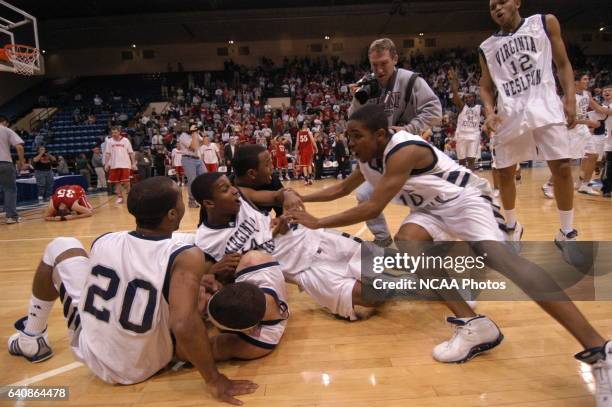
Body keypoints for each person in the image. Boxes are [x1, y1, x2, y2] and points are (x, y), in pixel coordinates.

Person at [286, 104, 612, 406]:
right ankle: (474, 324)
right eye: (348, 136)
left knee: (503, 260)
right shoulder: (367, 157)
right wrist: (301, 197)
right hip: (434, 209)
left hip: (466, 198)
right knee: (409, 245)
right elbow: (341, 189)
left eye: (356, 136)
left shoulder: (403, 150)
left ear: (380, 135)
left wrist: (316, 222)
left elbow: (372, 206)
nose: (350, 143)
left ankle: (600, 350)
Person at [8, 177, 257, 405]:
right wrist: (213, 379)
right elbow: (183, 323)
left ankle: (32, 336)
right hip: (150, 361)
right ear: (173, 214)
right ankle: (30, 341)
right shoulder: (185, 253)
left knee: (61, 245)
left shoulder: (104, 241)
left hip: (98, 354)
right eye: (180, 199)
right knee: (191, 303)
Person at [190, 172, 377, 322]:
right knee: (373, 297)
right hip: (303, 272)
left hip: (316, 240)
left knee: (391, 279)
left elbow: (277, 194)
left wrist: (287, 195)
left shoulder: (244, 198)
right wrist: (217, 270)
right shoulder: (205, 240)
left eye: (231, 186)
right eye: (225, 189)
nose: (234, 191)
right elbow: (208, 278)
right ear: (209, 203)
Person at [479, 1, 579, 257]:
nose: (497, 9)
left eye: (501, 2)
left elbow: (563, 63)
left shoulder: (544, 23)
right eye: (492, 7)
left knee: (563, 167)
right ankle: (512, 226)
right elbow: (485, 87)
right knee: (504, 173)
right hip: (510, 111)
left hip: (544, 102)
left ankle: (566, 233)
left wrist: (569, 98)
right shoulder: (487, 47)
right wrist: (489, 113)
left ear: (517, 2)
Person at [349, 38, 442, 247]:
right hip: (385, 159)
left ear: (395, 59)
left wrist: (409, 129)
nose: (379, 69)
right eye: (375, 65)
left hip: (412, 157)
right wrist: (357, 99)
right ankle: (382, 240)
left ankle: (426, 245)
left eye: (384, 63)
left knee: (419, 208)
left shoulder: (411, 81)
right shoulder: (367, 85)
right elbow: (353, 120)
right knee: (364, 195)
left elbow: (435, 111)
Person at [449, 67, 483, 170]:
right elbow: (455, 95)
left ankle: (471, 182)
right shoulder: (462, 107)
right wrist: (452, 83)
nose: (468, 98)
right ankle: (463, 182)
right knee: (462, 161)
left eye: (470, 97)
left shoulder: (479, 108)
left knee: (471, 161)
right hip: (462, 135)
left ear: (474, 98)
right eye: (466, 97)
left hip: (474, 135)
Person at [0, 115, 25, 224]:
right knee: (9, 189)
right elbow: (19, 147)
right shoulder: (6, 130)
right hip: (5, 162)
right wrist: (22, 163)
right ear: (4, 122)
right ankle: (11, 217)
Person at [104, 127, 135, 205]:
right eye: (112, 133)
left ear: (119, 132)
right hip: (114, 165)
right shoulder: (109, 141)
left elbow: (131, 152)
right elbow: (107, 153)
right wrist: (106, 164)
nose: (113, 134)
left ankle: (129, 196)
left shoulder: (126, 140)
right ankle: (120, 197)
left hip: (125, 164)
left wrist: (133, 163)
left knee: (126, 181)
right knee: (116, 182)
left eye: (115, 132)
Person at [179, 125, 205, 208]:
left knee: (204, 178)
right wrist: (194, 133)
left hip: (198, 159)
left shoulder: (196, 134)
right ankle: (191, 201)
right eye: (194, 128)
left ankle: (203, 199)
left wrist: (203, 134)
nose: (195, 129)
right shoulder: (183, 136)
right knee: (192, 181)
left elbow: (204, 143)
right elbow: (193, 147)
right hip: (188, 159)